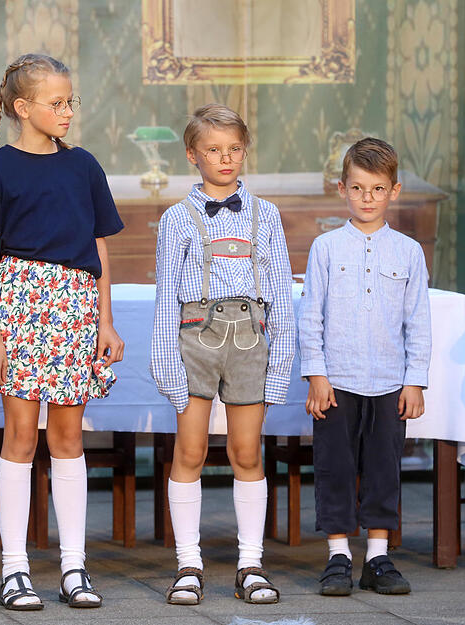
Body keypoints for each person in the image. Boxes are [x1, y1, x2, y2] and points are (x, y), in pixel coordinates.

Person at [0, 53, 124, 611]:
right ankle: (15, 570)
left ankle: (74, 567)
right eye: (56, 103)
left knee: (69, 439)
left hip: (75, 309)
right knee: (21, 437)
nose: (67, 111)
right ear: (21, 108)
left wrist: (105, 319)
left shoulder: (84, 167)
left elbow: (99, 248)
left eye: (69, 101)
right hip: (21, 308)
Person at [150, 103, 295, 605]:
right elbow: (166, 294)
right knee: (189, 451)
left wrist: (280, 368)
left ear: (245, 152)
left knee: (246, 452)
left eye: (234, 149)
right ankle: (188, 563)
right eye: (213, 150)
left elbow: (279, 290)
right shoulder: (176, 218)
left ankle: (250, 563)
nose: (225, 158)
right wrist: (167, 365)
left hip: (251, 341)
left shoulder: (265, 215)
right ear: (193, 154)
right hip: (196, 338)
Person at [299, 137, 430, 597]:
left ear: (394, 191)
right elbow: (310, 314)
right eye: (357, 188)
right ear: (342, 189)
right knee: (334, 467)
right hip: (336, 381)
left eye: (377, 189)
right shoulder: (326, 248)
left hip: (389, 384)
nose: (367, 199)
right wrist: (316, 375)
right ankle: (338, 555)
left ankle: (377, 556)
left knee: (383, 468)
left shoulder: (409, 252)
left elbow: (418, 321)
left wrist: (414, 381)